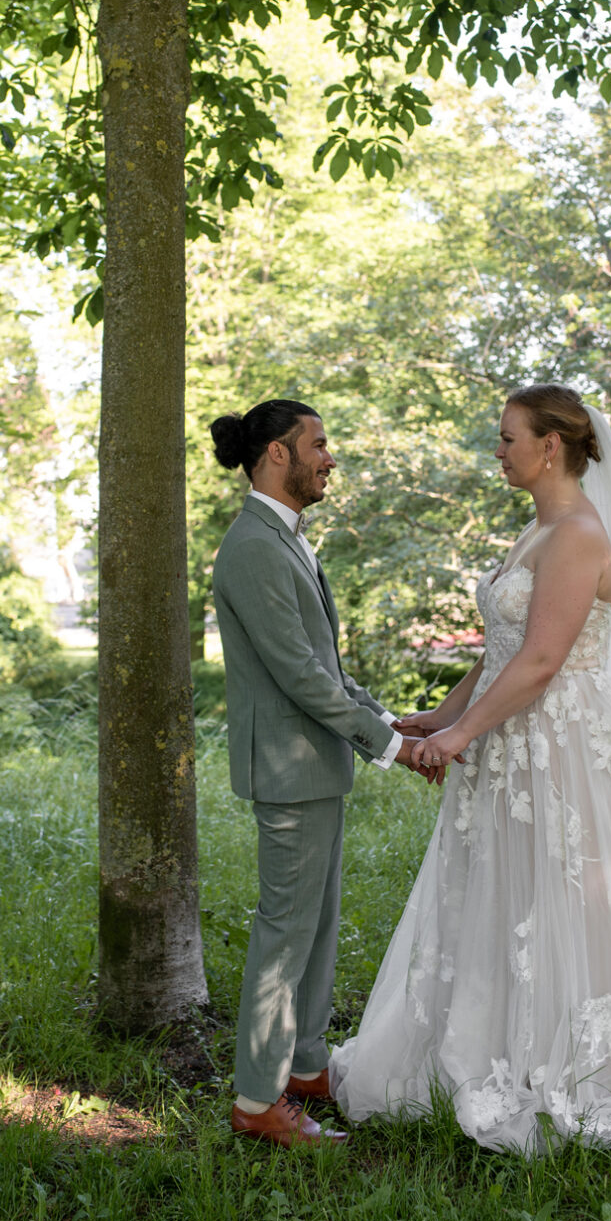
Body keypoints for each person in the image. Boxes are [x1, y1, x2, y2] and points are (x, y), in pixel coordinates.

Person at [329, 384, 611, 1152]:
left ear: (550, 445)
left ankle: (603, 1053)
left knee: (576, 894)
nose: (497, 451)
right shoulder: (536, 531)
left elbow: (540, 661)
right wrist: (440, 714)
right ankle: (492, 1036)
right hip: (515, 739)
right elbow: (498, 653)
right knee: (507, 889)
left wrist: (461, 739)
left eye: (505, 438)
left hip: (557, 748)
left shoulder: (577, 536)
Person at [210, 399, 430, 1149]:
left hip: (316, 769)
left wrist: (389, 719)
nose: (330, 458)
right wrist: (390, 747)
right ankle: (255, 1101)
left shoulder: (286, 539)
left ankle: (304, 1068)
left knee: (316, 932)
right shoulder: (252, 548)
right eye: (320, 445)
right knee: (284, 938)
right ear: (278, 454)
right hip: (288, 774)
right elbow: (301, 675)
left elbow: (324, 665)